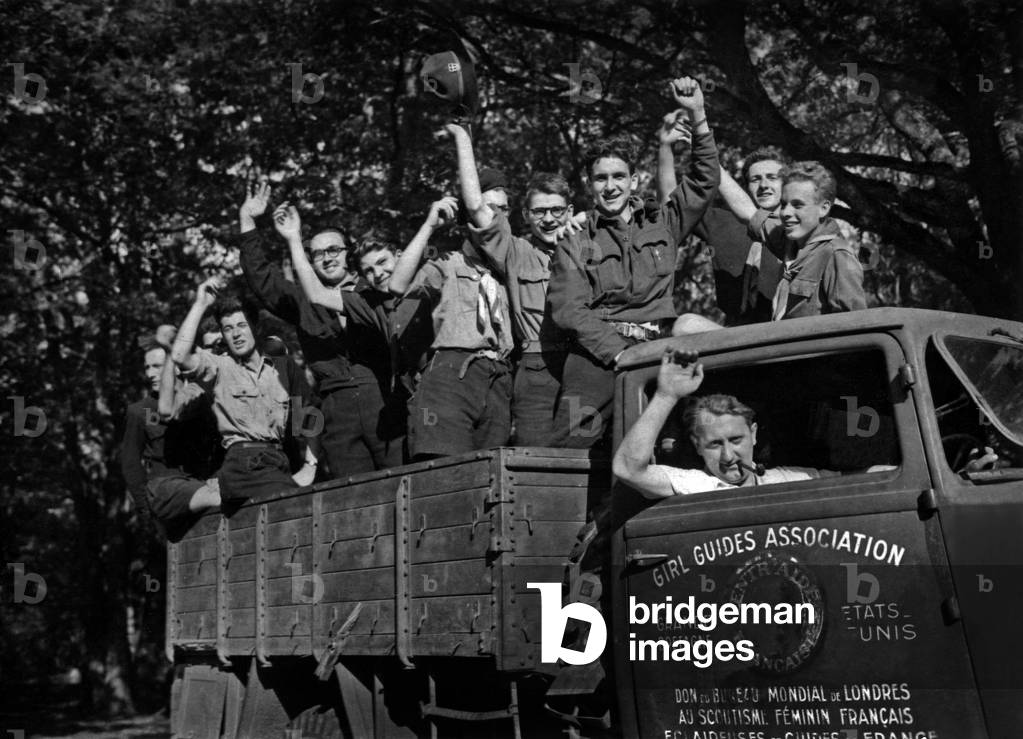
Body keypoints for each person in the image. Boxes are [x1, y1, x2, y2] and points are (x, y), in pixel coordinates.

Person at [548, 76, 720, 449]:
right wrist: (620, 352)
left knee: (676, 444)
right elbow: (570, 310)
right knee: (570, 447)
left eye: (618, 177)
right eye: (600, 178)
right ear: (589, 183)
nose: (610, 186)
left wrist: (698, 114)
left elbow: (705, 181)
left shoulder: (664, 221)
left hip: (661, 347)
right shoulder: (575, 239)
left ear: (634, 180)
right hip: (599, 353)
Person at [441, 122, 582, 445]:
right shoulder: (515, 251)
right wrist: (464, 138)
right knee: (537, 458)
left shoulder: (590, 247)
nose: (549, 219)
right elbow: (476, 206)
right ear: (526, 215)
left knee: (588, 460)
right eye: (539, 212)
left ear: (570, 211)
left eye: (557, 211)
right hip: (537, 367)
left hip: (585, 363)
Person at [613, 349, 901, 498]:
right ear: (696, 447)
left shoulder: (786, 478)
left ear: (753, 434)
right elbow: (627, 469)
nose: (728, 457)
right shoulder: (695, 485)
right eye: (714, 444)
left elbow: (858, 480)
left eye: (735, 440)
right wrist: (666, 395)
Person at [273, 204, 433, 467]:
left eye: (383, 263)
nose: (378, 274)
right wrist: (293, 238)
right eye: (368, 270)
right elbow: (315, 294)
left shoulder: (431, 283)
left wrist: (429, 225)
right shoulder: (372, 305)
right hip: (419, 404)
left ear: (401, 256)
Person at [238, 180, 378, 477]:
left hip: (383, 401)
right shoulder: (303, 301)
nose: (327, 258)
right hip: (337, 410)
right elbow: (262, 280)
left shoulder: (374, 288)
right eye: (317, 254)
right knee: (356, 497)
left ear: (348, 252)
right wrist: (248, 221)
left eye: (334, 250)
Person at [388, 186, 514, 459]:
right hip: (452, 375)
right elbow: (397, 283)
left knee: (492, 475)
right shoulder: (447, 263)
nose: (493, 216)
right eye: (486, 208)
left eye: (502, 210)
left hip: (499, 379)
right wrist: (429, 226)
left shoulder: (513, 265)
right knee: (446, 473)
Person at [170, 278, 316, 502]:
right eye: (228, 329)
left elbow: (310, 414)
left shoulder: (283, 367)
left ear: (255, 327)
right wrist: (200, 305)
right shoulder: (220, 366)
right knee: (293, 505)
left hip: (279, 462)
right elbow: (180, 355)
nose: (235, 334)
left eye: (241, 325)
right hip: (244, 463)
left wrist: (310, 464)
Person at [718, 160, 866, 320]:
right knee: (690, 324)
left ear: (824, 208)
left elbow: (854, 328)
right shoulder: (791, 243)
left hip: (806, 345)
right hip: (778, 339)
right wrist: (704, 142)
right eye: (783, 204)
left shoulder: (836, 255)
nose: (785, 213)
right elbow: (748, 212)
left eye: (797, 205)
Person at [658, 140, 785, 325]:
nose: (764, 185)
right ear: (746, 185)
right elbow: (672, 209)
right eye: (755, 179)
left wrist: (706, 151)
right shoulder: (721, 220)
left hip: (785, 330)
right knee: (686, 326)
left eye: (772, 178)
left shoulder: (797, 227)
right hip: (736, 332)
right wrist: (665, 147)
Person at [120, 328, 221, 538]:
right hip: (165, 490)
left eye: (157, 366)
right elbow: (130, 463)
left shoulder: (198, 402)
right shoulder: (141, 411)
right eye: (147, 367)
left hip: (199, 486)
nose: (149, 373)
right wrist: (146, 512)